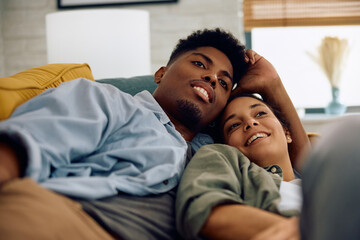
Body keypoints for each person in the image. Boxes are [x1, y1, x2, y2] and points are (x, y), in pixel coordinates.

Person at [0, 28, 305, 239]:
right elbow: (20, 146)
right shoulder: (107, 101)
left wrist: (273, 86)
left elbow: (302, 166)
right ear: (161, 73)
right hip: (69, 219)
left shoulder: (217, 150)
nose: (212, 78)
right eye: (200, 64)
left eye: (224, 83)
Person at [176, 81, 360, 239]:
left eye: (260, 114)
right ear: (228, 145)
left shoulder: (320, 182)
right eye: (234, 125)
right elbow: (202, 210)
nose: (250, 123)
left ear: (287, 133)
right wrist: (305, 230)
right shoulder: (219, 155)